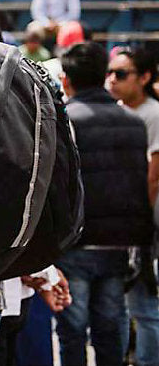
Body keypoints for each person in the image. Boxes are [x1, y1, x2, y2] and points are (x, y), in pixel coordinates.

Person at [55, 42, 153, 366]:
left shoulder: (65, 120)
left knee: (72, 332)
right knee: (110, 328)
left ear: (66, 79)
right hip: (119, 244)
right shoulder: (133, 122)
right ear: (102, 76)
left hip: (77, 243)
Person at [108, 47, 159, 366]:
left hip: (144, 223)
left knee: (144, 305)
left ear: (143, 77)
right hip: (121, 221)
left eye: (121, 74)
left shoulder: (153, 115)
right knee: (121, 306)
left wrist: (142, 220)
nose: (113, 80)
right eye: (110, 73)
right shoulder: (116, 110)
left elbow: (153, 176)